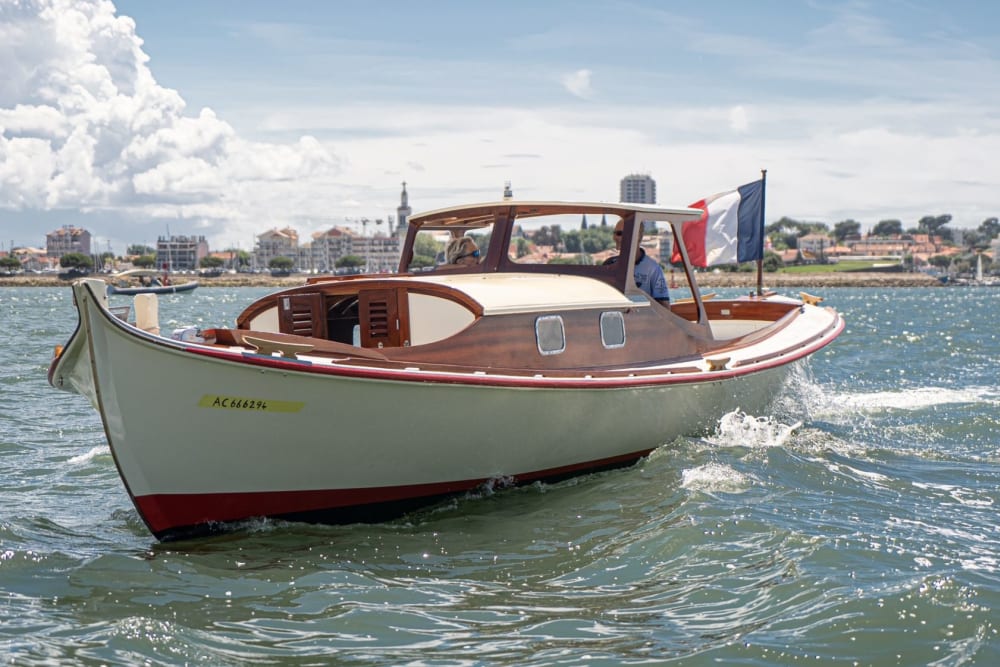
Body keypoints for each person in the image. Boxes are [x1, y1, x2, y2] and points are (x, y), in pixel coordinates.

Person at [603, 220, 670, 305]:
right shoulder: (608, 264)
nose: (614, 237)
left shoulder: (653, 269)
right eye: (614, 233)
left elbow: (664, 308)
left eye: (619, 233)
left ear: (636, 236)